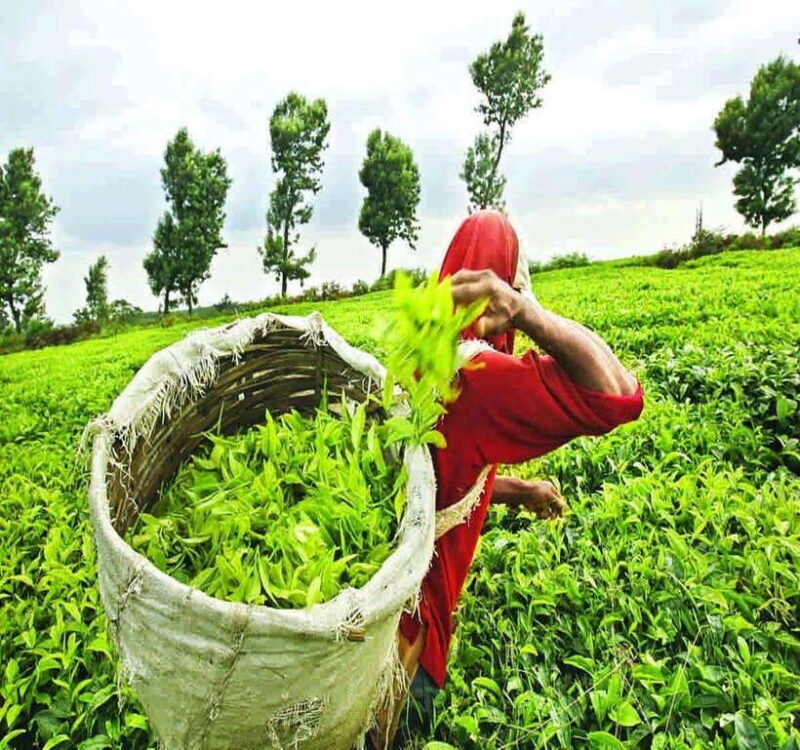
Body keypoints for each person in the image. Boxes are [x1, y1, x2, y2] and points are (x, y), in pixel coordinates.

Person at [369, 210, 644, 749]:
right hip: (412, 641)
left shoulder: (418, 357)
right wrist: (527, 311)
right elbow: (617, 395)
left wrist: (520, 491)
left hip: (377, 617)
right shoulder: (478, 377)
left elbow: (442, 474)